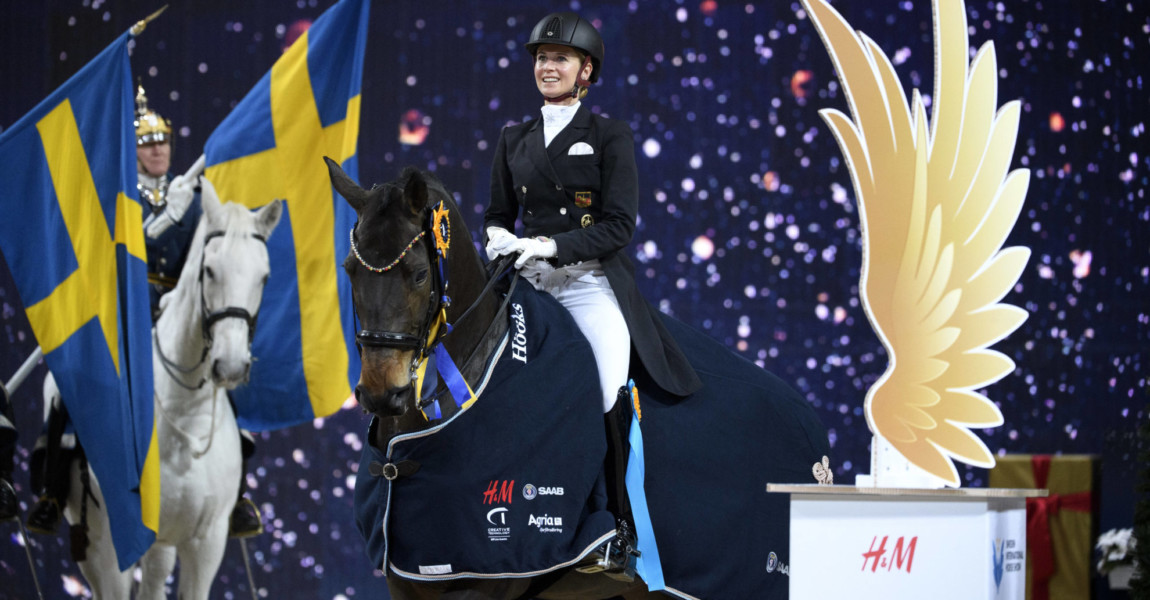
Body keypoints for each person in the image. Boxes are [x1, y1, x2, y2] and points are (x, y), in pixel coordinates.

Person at [484, 11, 703, 580]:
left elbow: (619, 225)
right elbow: (496, 213)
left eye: (559, 58)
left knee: (606, 381)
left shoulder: (608, 135)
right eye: (540, 58)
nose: (547, 66)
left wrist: (550, 245)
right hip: (529, 284)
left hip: (587, 282)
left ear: (585, 71)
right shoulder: (514, 138)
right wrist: (496, 237)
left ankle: (614, 523)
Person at [25, 85, 263, 539]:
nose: (157, 150)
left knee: (227, 378)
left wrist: (189, 223)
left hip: (181, 313)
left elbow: (205, 263)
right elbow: (117, 260)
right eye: (148, 143)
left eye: (163, 142)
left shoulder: (194, 202)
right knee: (60, 385)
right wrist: (163, 222)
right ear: (134, 150)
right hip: (126, 316)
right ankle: (54, 492)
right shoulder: (116, 201)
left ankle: (235, 497)